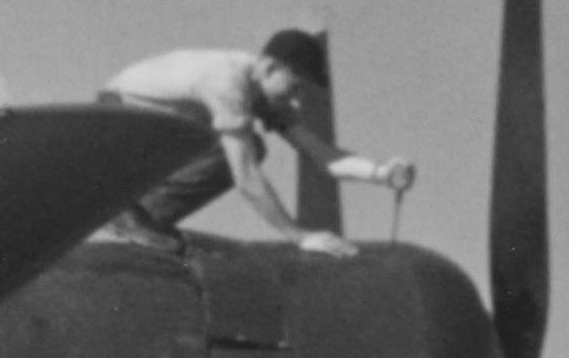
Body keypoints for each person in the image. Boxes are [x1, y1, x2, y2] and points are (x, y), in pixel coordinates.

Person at [101, 27, 411, 247]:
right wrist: (299, 236)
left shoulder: (261, 85)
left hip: (155, 127)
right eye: (294, 87)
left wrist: (381, 173)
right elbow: (245, 177)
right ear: (270, 67)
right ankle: (133, 216)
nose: (296, 100)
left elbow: (321, 155)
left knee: (250, 145)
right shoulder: (227, 82)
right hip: (120, 119)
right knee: (244, 149)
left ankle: (142, 217)